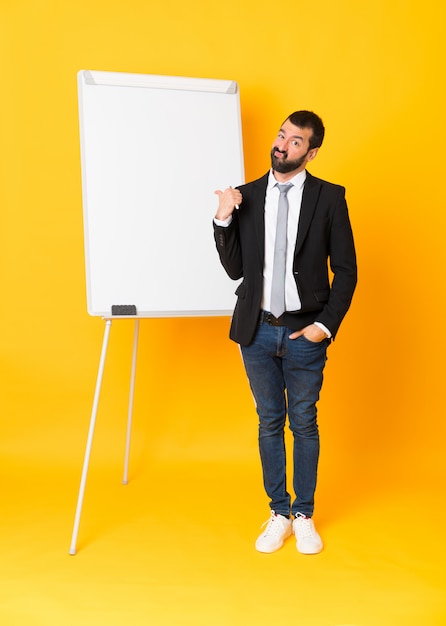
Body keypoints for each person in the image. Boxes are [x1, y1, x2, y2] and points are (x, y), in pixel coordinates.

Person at [213, 110, 357, 554]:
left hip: (303, 334)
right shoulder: (249, 195)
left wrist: (324, 326)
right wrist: (223, 219)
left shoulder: (330, 198)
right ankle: (279, 512)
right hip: (256, 331)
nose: (283, 145)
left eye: (295, 141)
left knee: (305, 422)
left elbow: (347, 271)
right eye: (281, 135)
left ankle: (304, 514)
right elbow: (237, 268)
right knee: (269, 421)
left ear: (310, 152)